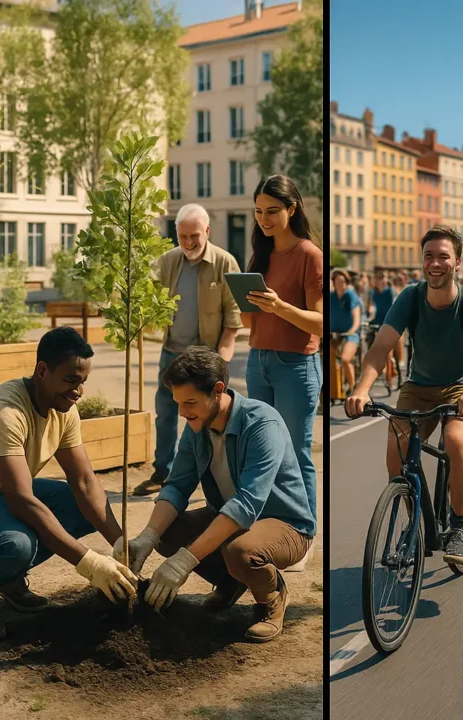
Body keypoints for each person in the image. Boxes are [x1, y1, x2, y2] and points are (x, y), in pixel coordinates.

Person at [115, 346, 315, 642]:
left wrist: (185, 561)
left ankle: (271, 596)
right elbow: (177, 486)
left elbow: (247, 505)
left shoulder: (262, 424)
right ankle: (231, 580)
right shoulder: (197, 424)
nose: (183, 412)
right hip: (233, 521)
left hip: (285, 524)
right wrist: (148, 536)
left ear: (218, 390)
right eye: (179, 403)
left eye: (190, 402)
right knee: (168, 533)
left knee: (241, 552)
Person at [345, 226, 463, 568]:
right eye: (429, 256)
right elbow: (381, 347)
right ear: (422, 261)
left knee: (456, 439)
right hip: (419, 387)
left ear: (457, 262)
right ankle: (415, 526)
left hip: (462, 386)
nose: (435, 263)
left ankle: (459, 525)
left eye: (443, 256)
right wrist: (361, 388)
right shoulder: (410, 297)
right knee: (397, 448)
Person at [0, 328, 138, 639]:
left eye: (83, 381)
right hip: (4, 493)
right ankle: (6, 568)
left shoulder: (63, 408)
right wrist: (89, 563)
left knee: (75, 503)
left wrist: (120, 545)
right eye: (71, 380)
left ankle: (7, 579)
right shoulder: (6, 411)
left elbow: (85, 484)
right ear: (42, 370)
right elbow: (20, 500)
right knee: (16, 546)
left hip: (1, 491)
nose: (78, 391)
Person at [241, 175, 323, 571]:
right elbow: (247, 320)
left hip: (296, 365)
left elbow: (320, 323)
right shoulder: (259, 255)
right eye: (258, 212)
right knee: (264, 450)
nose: (264, 219)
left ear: (292, 209)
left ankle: (304, 535)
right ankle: (273, 528)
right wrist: (244, 301)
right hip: (257, 361)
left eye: (272, 211)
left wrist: (279, 307)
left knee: (297, 451)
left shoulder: (310, 255)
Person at [136, 204, 244, 497]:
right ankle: (163, 472)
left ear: (207, 231)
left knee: (206, 418)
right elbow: (147, 297)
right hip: (172, 353)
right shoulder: (168, 260)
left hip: (206, 358)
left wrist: (221, 359)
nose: (188, 243)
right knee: (166, 412)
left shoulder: (225, 262)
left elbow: (234, 317)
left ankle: (210, 478)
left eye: (194, 236)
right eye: (182, 236)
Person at [329, 269, 362, 391]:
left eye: (343, 281)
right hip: (334, 333)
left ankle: (353, 388)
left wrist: (352, 330)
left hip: (350, 333)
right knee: (329, 358)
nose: (340, 284)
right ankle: (334, 389)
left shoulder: (350, 295)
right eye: (337, 281)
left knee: (345, 359)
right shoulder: (331, 296)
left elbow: (356, 316)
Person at [368, 269, 398, 390]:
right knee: (373, 346)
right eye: (378, 278)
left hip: (389, 320)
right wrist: (370, 310)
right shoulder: (373, 293)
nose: (381, 280)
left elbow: (393, 306)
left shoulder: (390, 291)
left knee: (387, 351)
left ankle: (389, 379)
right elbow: (370, 305)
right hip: (377, 319)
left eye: (383, 277)